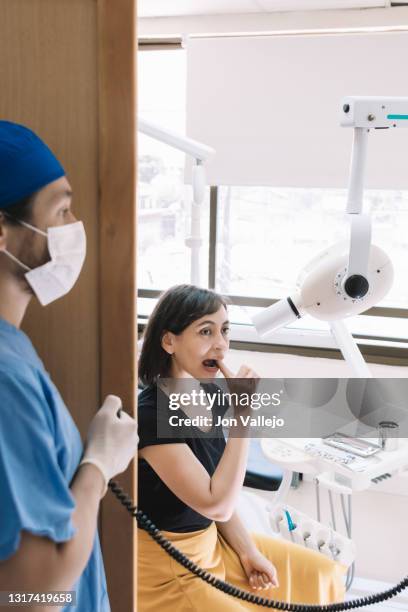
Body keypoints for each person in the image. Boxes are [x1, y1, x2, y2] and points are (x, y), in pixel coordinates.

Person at [137, 284, 346, 611]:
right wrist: (243, 416)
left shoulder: (211, 395)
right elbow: (216, 503)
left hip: (211, 546)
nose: (220, 344)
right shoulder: (151, 415)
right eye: (205, 332)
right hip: (173, 568)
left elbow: (224, 494)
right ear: (169, 341)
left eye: (224, 331)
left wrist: (249, 553)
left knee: (322, 572)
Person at [0, 121, 138, 612]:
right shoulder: (4, 378)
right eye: (60, 210)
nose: (74, 225)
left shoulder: (14, 350)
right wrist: (98, 467)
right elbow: (30, 593)